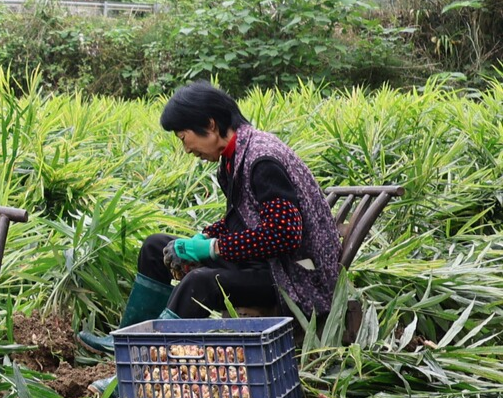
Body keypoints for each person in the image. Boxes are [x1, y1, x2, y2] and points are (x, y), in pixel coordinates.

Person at [79, 82, 341, 352]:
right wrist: (203, 237)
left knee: (201, 282)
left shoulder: (263, 160)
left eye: (183, 137)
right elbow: (240, 220)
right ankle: (125, 340)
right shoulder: (233, 158)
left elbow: (283, 235)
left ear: (210, 125)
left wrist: (212, 249)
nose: (186, 149)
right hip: (266, 265)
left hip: (294, 278)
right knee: (156, 247)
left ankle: (144, 359)